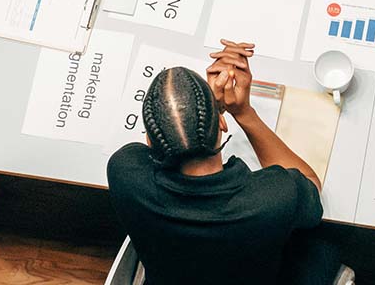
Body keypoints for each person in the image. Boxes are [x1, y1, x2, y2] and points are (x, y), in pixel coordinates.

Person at [107, 40, 346, 285]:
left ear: (149, 141)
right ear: (222, 124)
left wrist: (207, 112)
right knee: (322, 247)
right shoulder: (273, 199)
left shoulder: (125, 173)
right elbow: (311, 185)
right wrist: (242, 112)